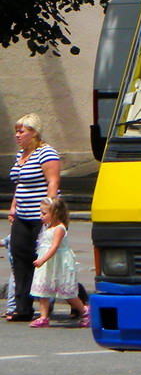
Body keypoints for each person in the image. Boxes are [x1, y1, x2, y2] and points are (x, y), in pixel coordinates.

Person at [7, 114, 60, 322]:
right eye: (17, 131)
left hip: (42, 217)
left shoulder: (46, 153)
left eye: (22, 131)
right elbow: (19, 184)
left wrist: (49, 213)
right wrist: (13, 207)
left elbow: (53, 182)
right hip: (22, 215)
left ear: (34, 132)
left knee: (45, 261)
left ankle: (76, 297)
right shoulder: (21, 154)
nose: (17, 135)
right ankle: (22, 308)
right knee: (20, 258)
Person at [29, 196, 88, 328]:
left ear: (55, 213)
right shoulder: (48, 227)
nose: (41, 216)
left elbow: (54, 247)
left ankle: (84, 311)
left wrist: (42, 260)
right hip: (48, 263)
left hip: (57, 262)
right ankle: (43, 317)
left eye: (44, 213)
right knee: (43, 289)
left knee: (66, 292)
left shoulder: (59, 229)